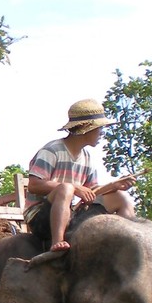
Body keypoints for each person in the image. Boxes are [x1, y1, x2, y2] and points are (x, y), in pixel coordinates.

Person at [25, 98, 137, 252]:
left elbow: (92, 192)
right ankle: (57, 242)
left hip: (70, 213)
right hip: (42, 217)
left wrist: (114, 186)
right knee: (66, 189)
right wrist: (74, 188)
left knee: (121, 197)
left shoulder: (87, 157)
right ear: (87, 128)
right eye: (100, 129)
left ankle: (125, 244)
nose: (101, 134)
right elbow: (34, 184)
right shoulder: (52, 151)